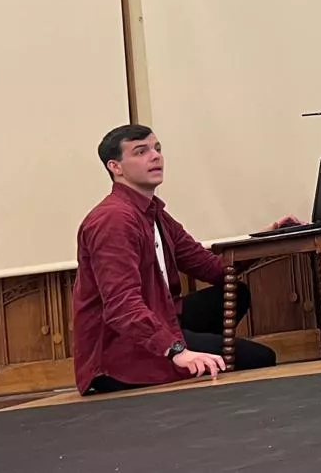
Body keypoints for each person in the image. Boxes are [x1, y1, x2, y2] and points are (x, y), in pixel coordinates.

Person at [72, 124, 294, 394]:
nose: (155, 156)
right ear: (115, 167)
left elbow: (213, 267)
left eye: (157, 149)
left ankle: (199, 359)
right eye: (141, 152)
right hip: (120, 351)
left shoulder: (154, 213)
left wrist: (268, 238)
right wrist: (178, 351)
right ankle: (188, 362)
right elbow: (121, 307)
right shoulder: (113, 220)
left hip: (160, 318)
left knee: (235, 292)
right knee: (261, 358)